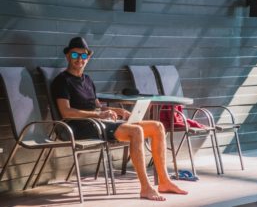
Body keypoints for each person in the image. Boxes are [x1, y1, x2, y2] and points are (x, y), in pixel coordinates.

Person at [51, 37, 188, 201]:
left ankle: (164, 181)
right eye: (75, 55)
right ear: (67, 56)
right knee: (136, 131)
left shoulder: (87, 80)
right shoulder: (62, 81)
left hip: (97, 123)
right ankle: (145, 187)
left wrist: (116, 110)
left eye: (83, 55)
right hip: (78, 127)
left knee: (157, 126)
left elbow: (97, 106)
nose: (79, 59)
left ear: (88, 58)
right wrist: (98, 115)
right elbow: (66, 112)